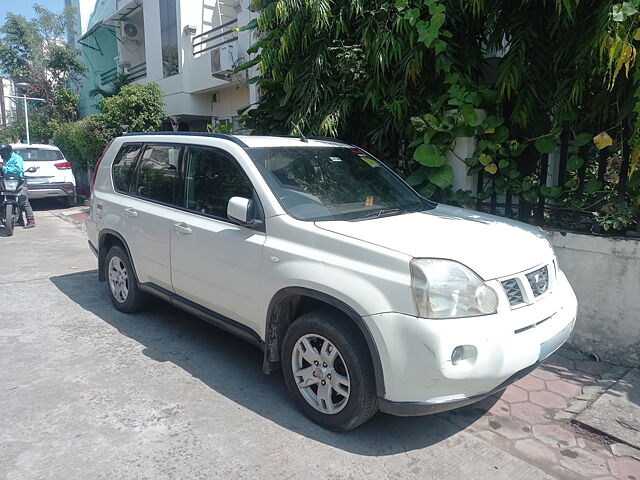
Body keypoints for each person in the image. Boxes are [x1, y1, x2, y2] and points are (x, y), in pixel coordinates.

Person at [0, 143, 35, 228]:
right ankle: (18, 220)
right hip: (7, 181)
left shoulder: (17, 158)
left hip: (19, 181)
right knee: (3, 198)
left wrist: (3, 168)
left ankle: (31, 220)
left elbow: (17, 169)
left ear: (7, 152)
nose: (1, 155)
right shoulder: (5, 159)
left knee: (23, 200)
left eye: (2, 153)